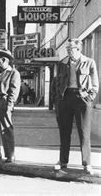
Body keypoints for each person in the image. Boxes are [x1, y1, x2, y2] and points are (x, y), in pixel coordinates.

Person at [53, 38, 99, 174]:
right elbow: (57, 83)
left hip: (82, 99)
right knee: (64, 131)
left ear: (78, 49)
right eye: (67, 49)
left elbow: (95, 83)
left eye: (71, 49)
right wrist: (58, 99)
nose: (68, 51)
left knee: (84, 132)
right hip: (65, 98)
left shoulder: (89, 62)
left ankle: (87, 163)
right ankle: (62, 161)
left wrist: (90, 97)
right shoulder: (63, 63)